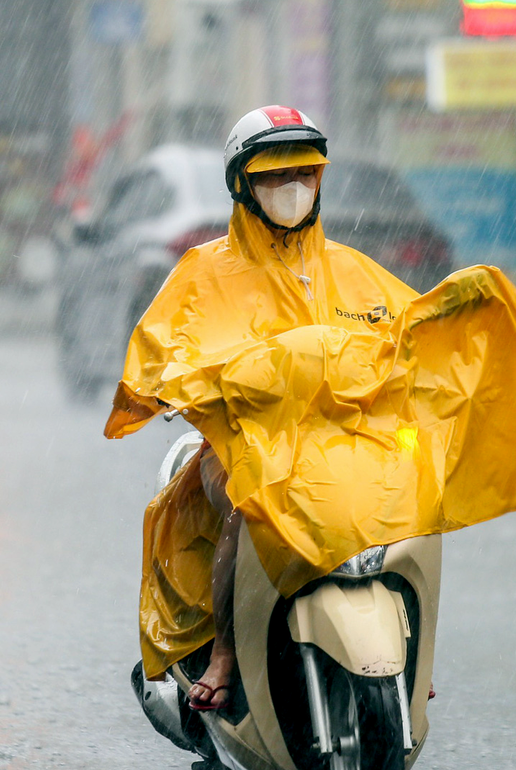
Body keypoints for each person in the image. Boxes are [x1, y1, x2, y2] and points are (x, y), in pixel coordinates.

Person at [105, 106, 426, 710]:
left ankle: (406, 642)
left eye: (303, 174)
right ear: (242, 185)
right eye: (274, 176)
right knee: (246, 502)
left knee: (414, 495)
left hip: (342, 445)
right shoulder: (204, 271)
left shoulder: (352, 271)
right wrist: (171, 383)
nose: (292, 189)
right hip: (243, 447)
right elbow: (160, 346)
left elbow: (412, 334)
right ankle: (226, 650)